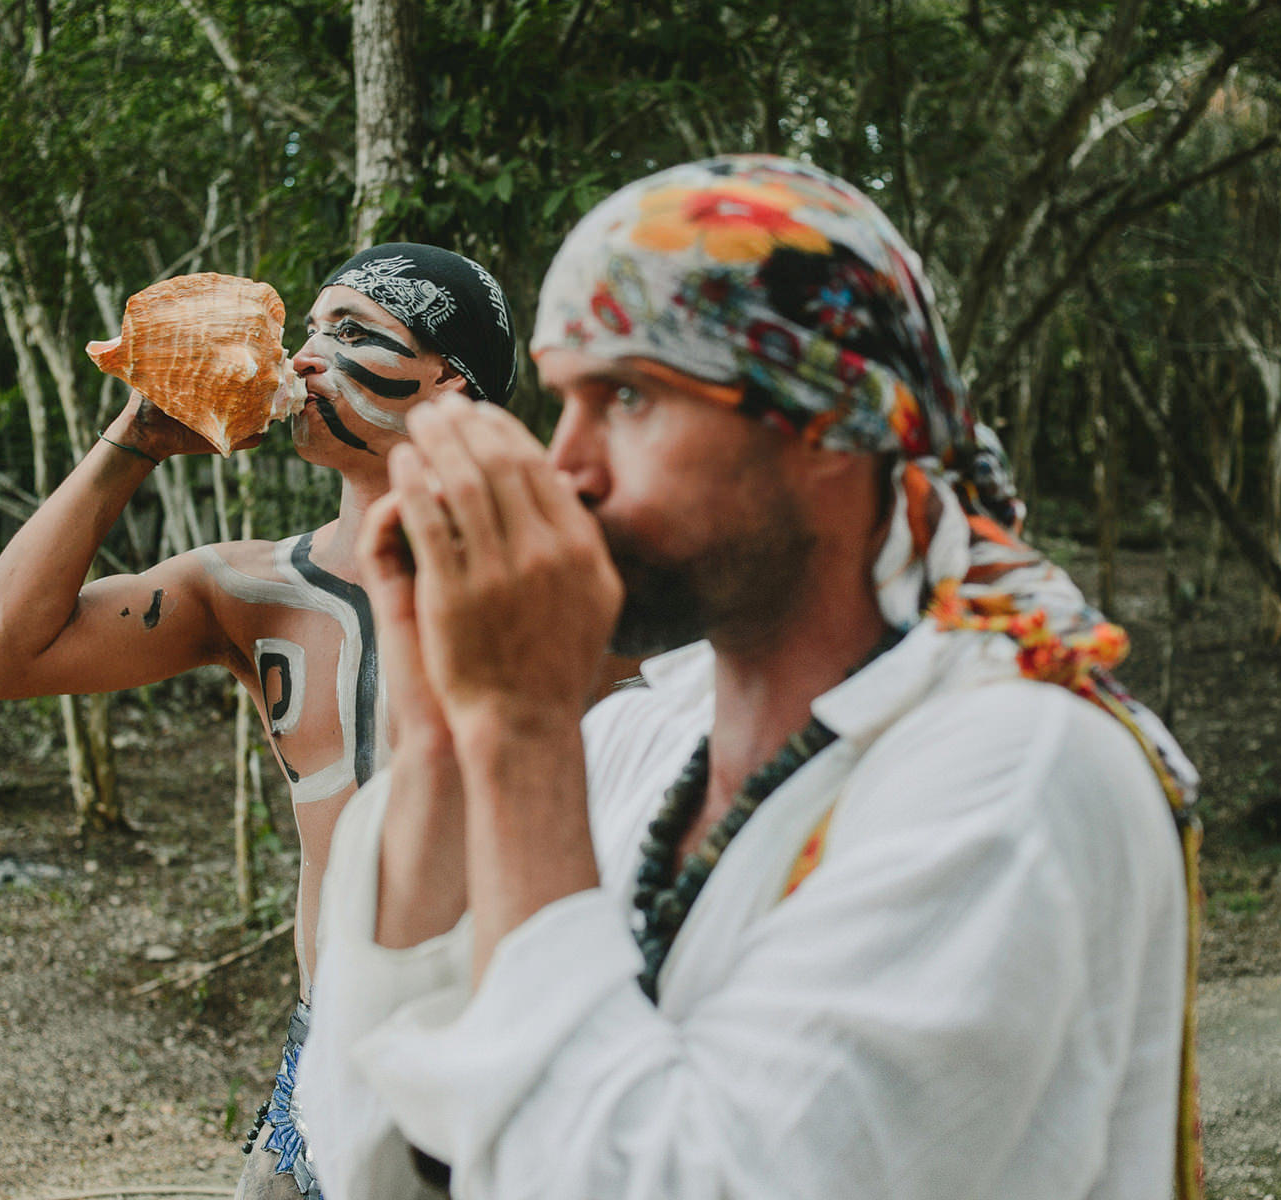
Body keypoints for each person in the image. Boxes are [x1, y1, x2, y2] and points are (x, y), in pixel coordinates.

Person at [298, 156, 1204, 1200]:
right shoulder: (638, 744)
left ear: (825, 424)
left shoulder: (1019, 778)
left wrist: (518, 728)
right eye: (566, 403)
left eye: (629, 395)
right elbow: (377, 1165)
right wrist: (444, 740)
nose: (566, 468)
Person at [0, 243, 519, 1200]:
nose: (305, 357)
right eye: (311, 330)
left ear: (450, 384)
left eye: (353, 333)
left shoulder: (563, 583)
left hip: (504, 1041)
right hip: (329, 1047)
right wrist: (133, 440)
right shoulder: (251, 590)